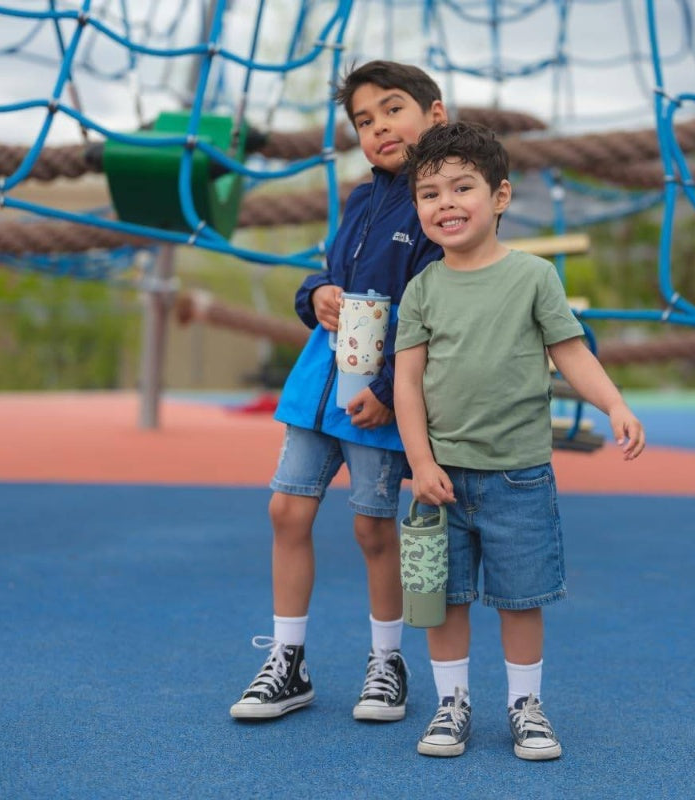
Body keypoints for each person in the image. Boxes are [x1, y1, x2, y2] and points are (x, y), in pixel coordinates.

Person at [394, 121, 645, 759]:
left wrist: (612, 401)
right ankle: (451, 705)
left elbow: (570, 352)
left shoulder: (533, 277)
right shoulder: (422, 289)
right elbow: (407, 384)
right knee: (441, 601)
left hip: (519, 475)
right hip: (439, 480)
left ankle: (525, 706)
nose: (445, 202)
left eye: (461, 187)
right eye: (429, 193)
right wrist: (419, 462)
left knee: (520, 597)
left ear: (500, 196)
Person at [230, 61, 447, 723]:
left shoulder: (441, 202)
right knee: (286, 513)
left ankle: (387, 662)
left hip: (380, 395)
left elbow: (437, 309)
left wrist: (386, 389)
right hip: (320, 380)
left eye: (392, 109)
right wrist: (314, 294)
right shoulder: (360, 199)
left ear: (434, 114)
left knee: (371, 527)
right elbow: (328, 275)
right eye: (364, 119)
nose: (378, 127)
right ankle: (288, 660)